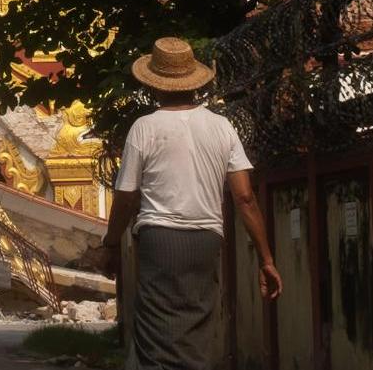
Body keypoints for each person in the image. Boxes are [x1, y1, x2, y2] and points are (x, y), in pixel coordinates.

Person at [101, 36, 282, 370]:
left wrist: (111, 244)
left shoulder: (144, 128)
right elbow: (244, 197)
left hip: (160, 241)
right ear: (194, 84)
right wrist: (266, 259)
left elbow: (127, 197)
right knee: (197, 331)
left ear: (154, 85)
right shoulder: (222, 127)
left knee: (158, 338)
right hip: (207, 240)